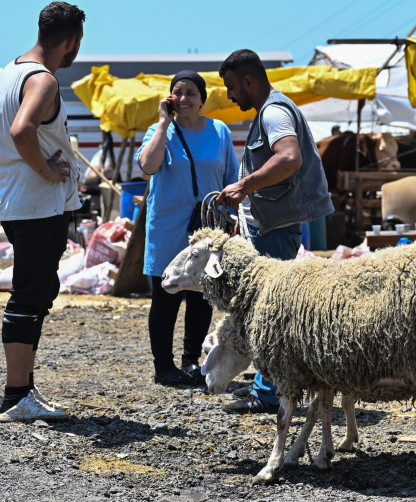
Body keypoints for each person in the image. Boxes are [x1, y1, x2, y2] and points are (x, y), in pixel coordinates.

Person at [216, 49, 334, 414]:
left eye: (233, 87)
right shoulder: (270, 111)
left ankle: (269, 394)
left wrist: (244, 186)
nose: (231, 96)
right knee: (267, 309)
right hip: (272, 224)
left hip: (278, 228)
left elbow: (289, 158)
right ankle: (268, 387)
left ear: (249, 82)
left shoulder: (274, 112)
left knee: (270, 311)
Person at [0, 1, 85, 422]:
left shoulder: (13, 69)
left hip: (19, 201)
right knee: (30, 294)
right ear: (70, 41)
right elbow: (21, 130)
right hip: (34, 204)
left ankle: (23, 387)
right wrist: (47, 171)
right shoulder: (42, 80)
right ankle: (15, 396)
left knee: (41, 289)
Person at [136, 71, 239, 386]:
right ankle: (164, 368)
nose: (183, 99)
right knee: (166, 296)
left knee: (202, 297)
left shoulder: (219, 131)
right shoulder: (158, 131)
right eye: (177, 92)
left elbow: (232, 177)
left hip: (207, 230)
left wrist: (235, 219)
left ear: (202, 99)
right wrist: (164, 123)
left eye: (190, 93)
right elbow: (147, 166)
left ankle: (191, 361)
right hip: (168, 228)